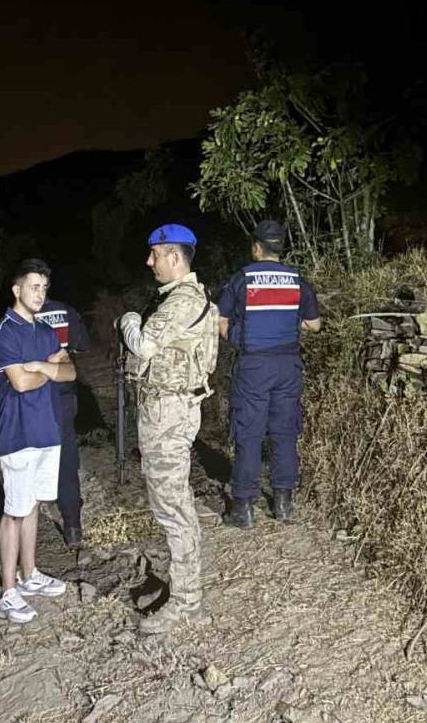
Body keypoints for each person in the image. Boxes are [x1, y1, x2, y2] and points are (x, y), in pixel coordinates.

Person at [118, 224, 219, 636]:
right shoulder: (186, 298)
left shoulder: (181, 301)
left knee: (173, 508)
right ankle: (184, 591)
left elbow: (142, 346)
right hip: (170, 410)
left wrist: (126, 320)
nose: (149, 262)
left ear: (174, 258)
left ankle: (185, 604)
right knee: (174, 503)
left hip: (168, 414)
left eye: (154, 254)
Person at [216, 219, 321, 529]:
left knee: (249, 434)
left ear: (257, 247)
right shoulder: (298, 281)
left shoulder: (241, 279)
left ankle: (244, 508)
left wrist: (241, 336)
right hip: (288, 366)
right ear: (280, 248)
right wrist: (291, 326)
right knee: (285, 433)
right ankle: (284, 503)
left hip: (254, 367)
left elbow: (219, 321)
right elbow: (315, 325)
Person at [0, 259, 75, 623]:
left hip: (46, 428)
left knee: (34, 504)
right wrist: (47, 368)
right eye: (34, 287)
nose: (40, 294)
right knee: (15, 509)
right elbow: (19, 383)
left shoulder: (45, 330)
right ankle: (8, 590)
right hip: (17, 431)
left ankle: (30, 574)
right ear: (17, 289)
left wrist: (39, 366)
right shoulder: (4, 331)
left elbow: (69, 371)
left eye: (44, 288)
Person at [35, 286, 91, 547]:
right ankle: (72, 527)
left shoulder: (20, 316)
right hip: (62, 394)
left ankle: (27, 537)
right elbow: (82, 344)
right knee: (66, 459)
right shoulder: (65, 311)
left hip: (31, 396)